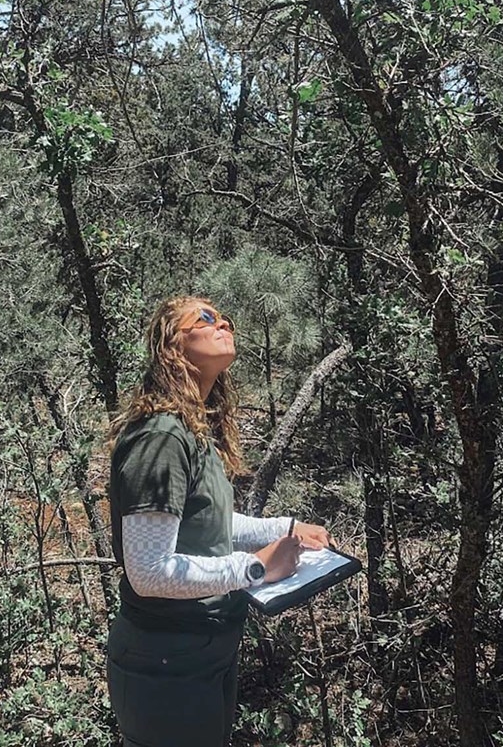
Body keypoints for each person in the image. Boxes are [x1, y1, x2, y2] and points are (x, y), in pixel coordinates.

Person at [106, 295, 335, 747]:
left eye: (225, 318)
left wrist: (283, 529)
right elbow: (149, 572)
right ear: (173, 343)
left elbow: (210, 522)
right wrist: (256, 568)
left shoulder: (193, 430)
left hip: (201, 650)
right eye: (206, 317)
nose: (222, 322)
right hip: (166, 661)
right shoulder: (160, 436)